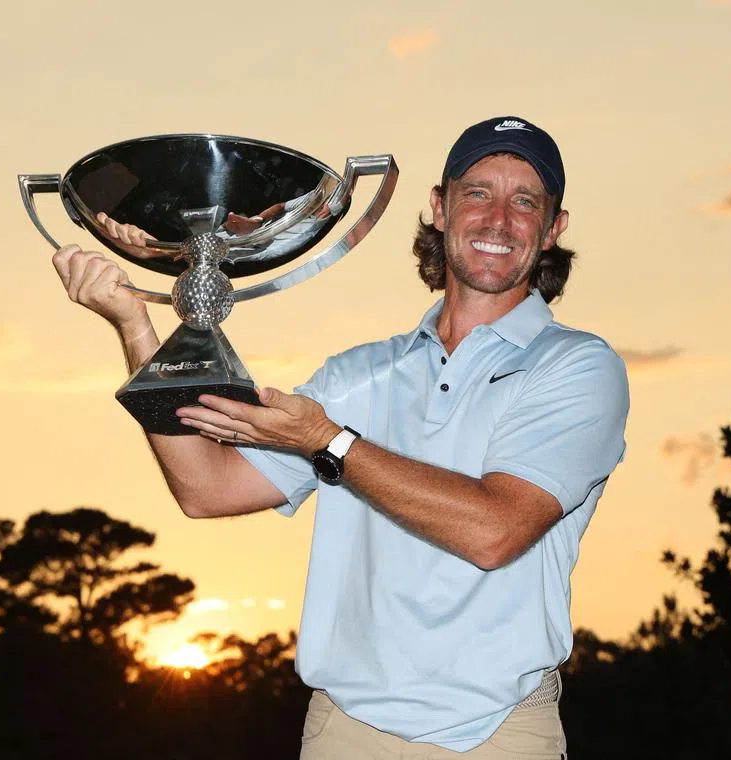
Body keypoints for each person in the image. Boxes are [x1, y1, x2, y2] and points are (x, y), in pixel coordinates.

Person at [52, 115, 630, 759]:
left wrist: (329, 442)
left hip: (496, 733)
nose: (498, 219)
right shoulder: (359, 376)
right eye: (477, 192)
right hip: (345, 732)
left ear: (553, 229)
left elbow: (496, 531)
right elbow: (206, 488)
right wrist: (135, 328)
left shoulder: (577, 367)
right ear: (439, 209)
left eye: (526, 201)